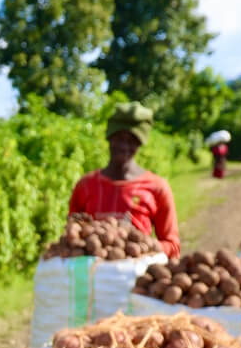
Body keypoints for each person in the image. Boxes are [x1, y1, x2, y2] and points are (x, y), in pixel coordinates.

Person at [66, 101, 180, 256]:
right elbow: (72, 233)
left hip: (138, 277)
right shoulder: (85, 185)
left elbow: (172, 246)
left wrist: (146, 247)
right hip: (92, 276)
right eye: (118, 138)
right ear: (109, 138)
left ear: (140, 143)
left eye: (132, 140)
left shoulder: (157, 187)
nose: (124, 146)